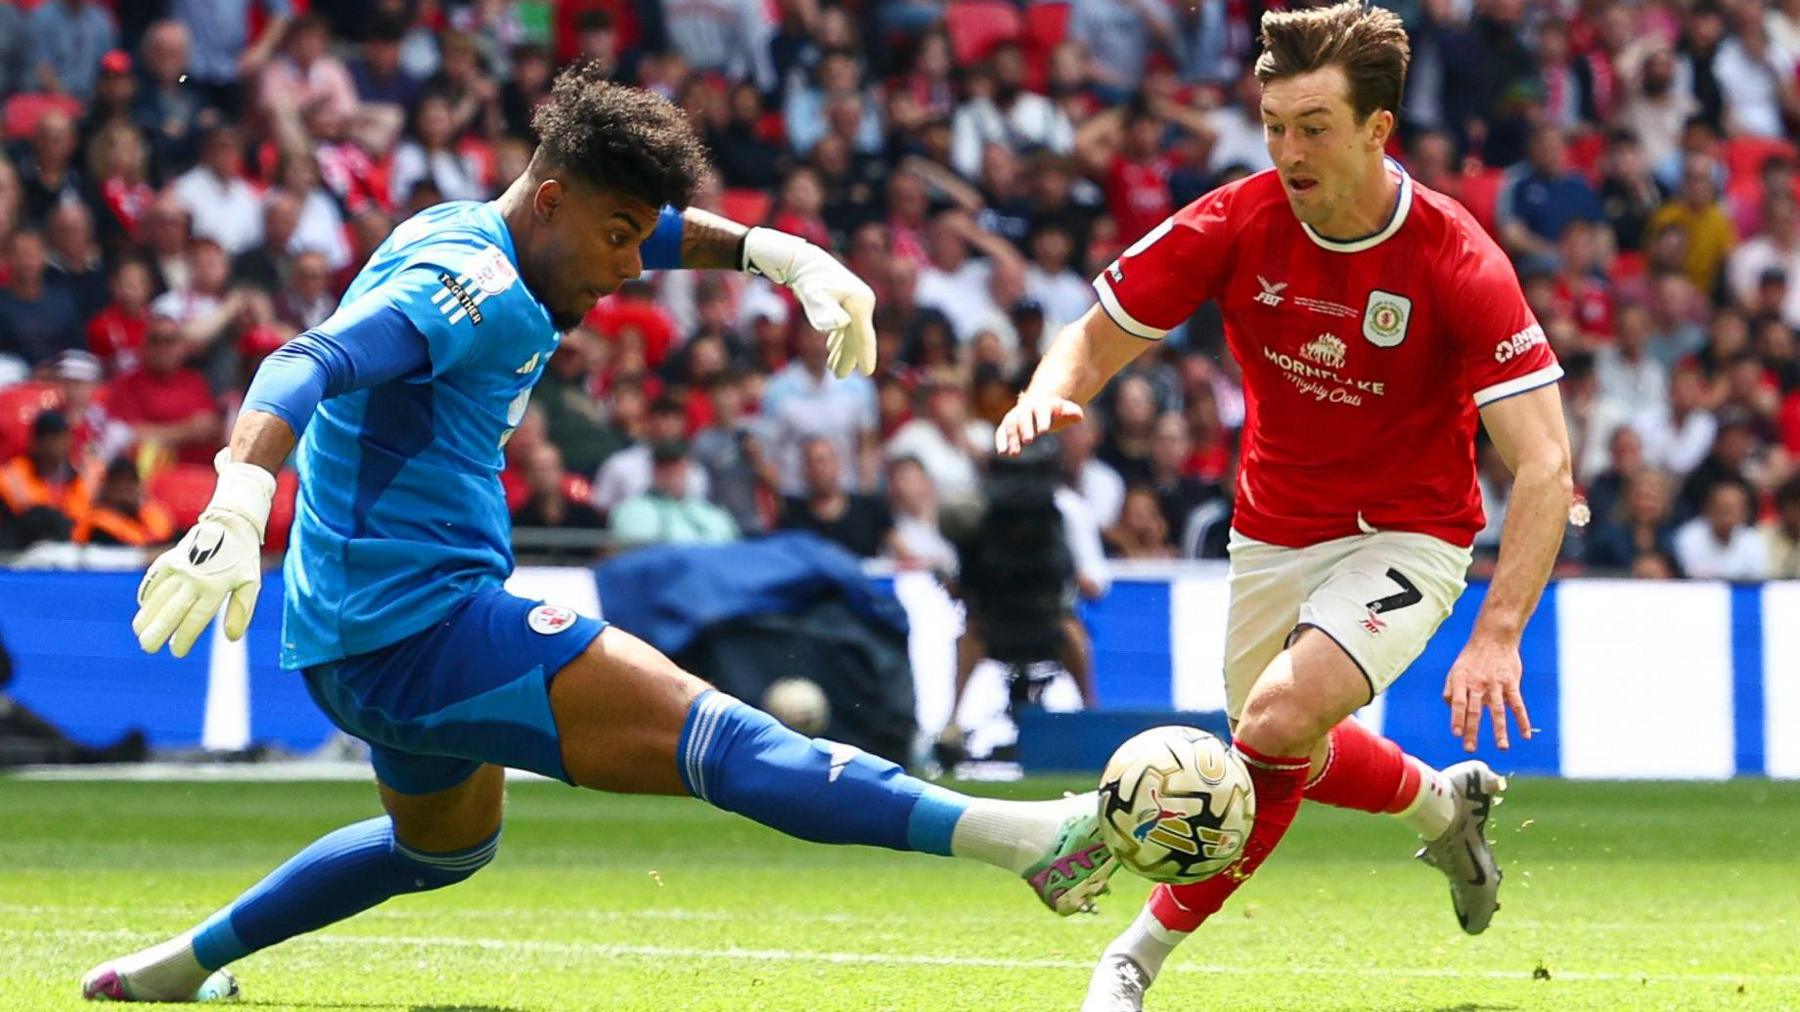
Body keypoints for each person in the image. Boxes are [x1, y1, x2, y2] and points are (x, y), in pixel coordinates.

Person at [89, 71, 1105, 1004]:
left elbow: (661, 234)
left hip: (350, 637)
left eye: (638, 240)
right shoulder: (466, 286)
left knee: (441, 851)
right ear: (551, 201)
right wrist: (235, 493)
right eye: (617, 236)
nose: (629, 268)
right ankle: (1022, 837)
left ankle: (179, 969)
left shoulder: (506, 230)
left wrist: (776, 253)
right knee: (724, 741)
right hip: (417, 624)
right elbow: (308, 359)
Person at [991, 6, 1573, 1008]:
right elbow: (1092, 335)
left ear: (1377, 130)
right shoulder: (1237, 220)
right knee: (1281, 749)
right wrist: (1051, 386)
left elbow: (1547, 463)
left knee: (1271, 723)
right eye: (1273, 124)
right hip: (1271, 528)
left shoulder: (1455, 257)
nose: (1287, 149)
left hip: (1410, 535)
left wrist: (1499, 630)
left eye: (1313, 127)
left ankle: (1131, 959)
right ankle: (1443, 804)